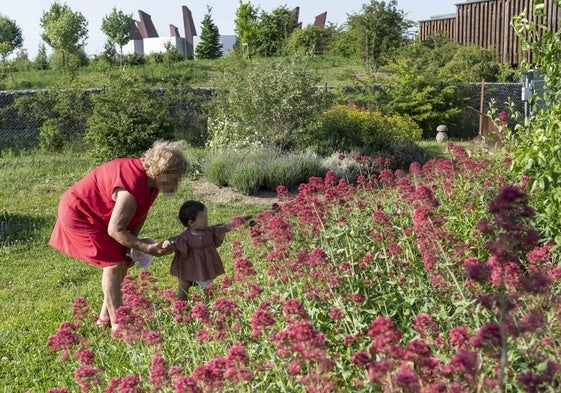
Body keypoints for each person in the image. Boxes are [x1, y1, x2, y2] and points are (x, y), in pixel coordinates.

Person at [49, 140, 189, 331]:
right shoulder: (130, 186)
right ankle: (120, 326)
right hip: (80, 214)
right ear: (162, 172)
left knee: (122, 260)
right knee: (114, 264)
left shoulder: (152, 183)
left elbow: (141, 211)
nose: (177, 184)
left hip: (100, 216)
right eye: (175, 178)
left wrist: (131, 246)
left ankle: (104, 319)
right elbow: (115, 230)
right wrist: (146, 247)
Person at [163, 200, 251, 303]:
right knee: (183, 287)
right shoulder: (184, 237)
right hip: (187, 267)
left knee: (208, 288)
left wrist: (237, 222)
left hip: (204, 267)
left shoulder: (210, 231)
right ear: (191, 222)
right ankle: (180, 307)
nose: (207, 219)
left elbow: (224, 227)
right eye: (203, 218)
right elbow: (174, 241)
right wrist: (167, 242)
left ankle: (207, 307)